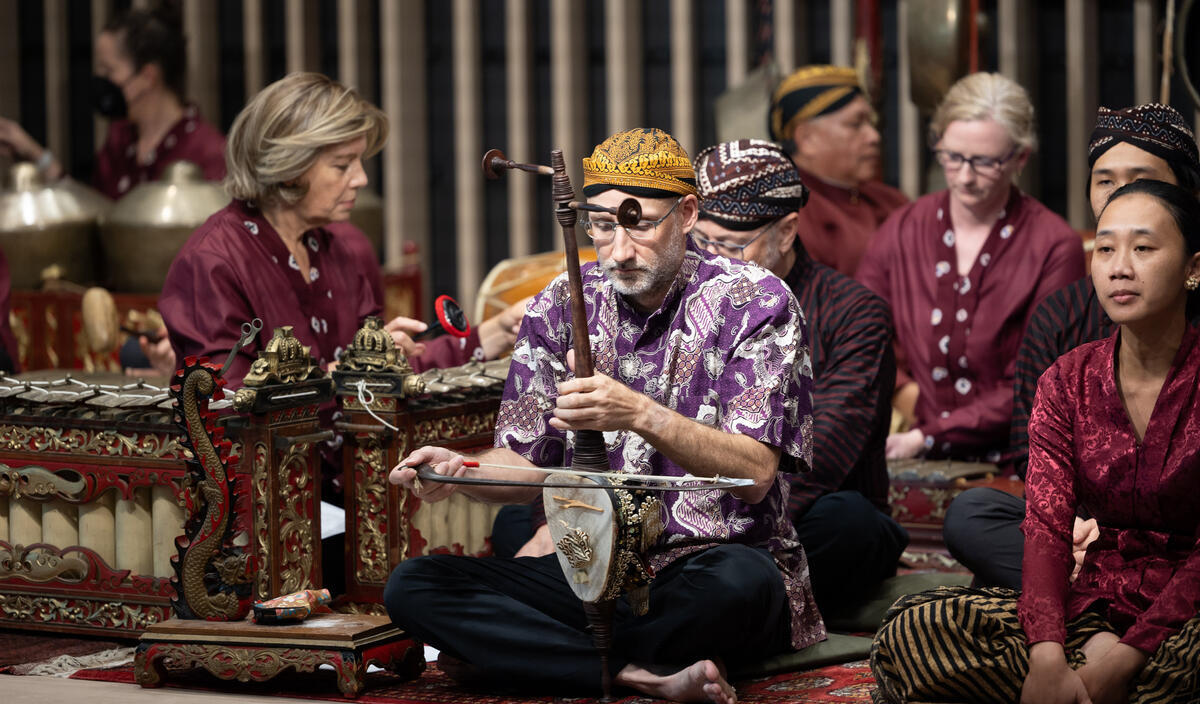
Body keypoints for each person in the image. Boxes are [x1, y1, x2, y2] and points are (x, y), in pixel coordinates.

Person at [385, 127, 824, 703]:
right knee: (414, 586)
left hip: (703, 567)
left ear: (688, 213)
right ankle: (638, 674)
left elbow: (755, 476)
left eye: (639, 222)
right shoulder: (559, 303)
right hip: (589, 564)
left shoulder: (755, 301)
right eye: (601, 225)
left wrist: (641, 413)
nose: (618, 250)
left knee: (736, 588)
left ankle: (533, 654)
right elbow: (524, 466)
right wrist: (465, 471)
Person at [871, 179, 1200, 703]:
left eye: (1143, 248)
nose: (1119, 267)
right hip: (1092, 596)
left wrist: (1122, 661)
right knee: (917, 630)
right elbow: (1046, 527)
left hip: (1186, 612)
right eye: (1106, 248)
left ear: (1193, 268)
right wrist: (1048, 652)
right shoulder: (1067, 379)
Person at [942, 103, 1200, 590]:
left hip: (1182, 536)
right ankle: (1100, 575)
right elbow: (1030, 448)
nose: (1120, 193)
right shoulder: (1060, 316)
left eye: (1140, 178)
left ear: (1186, 194)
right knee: (972, 514)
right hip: (1082, 522)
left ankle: (1098, 583)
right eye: (1105, 181)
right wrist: (1082, 526)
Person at [158, 72, 522, 387]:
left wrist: (496, 332)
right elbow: (226, 404)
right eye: (342, 165)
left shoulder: (341, 249)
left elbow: (386, 375)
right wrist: (355, 368)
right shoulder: (213, 261)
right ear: (289, 168)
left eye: (358, 162)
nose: (361, 179)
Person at [689, 138, 907, 612]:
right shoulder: (688, 295)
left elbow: (822, 455)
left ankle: (725, 602)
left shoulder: (854, 313)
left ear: (786, 232)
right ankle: (723, 601)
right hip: (688, 517)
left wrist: (713, 525)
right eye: (701, 241)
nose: (710, 259)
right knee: (527, 522)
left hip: (801, 513)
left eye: (728, 245)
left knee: (852, 524)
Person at [857, 72, 1085, 462]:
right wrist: (902, 393)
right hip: (910, 444)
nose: (964, 177)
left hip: (1018, 455)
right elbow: (858, 337)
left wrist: (929, 435)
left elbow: (1042, 383)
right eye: (952, 157)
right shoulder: (901, 229)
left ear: (1020, 157)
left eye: (984, 162)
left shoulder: (1054, 246)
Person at [0, 3, 226, 200]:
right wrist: (37, 156)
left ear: (148, 76)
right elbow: (95, 215)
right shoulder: (120, 139)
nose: (101, 82)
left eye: (108, 72)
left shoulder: (208, 152)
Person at [768, 64, 908, 277]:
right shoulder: (787, 217)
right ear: (807, 139)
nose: (874, 137)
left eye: (871, 123)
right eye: (855, 124)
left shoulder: (892, 201)